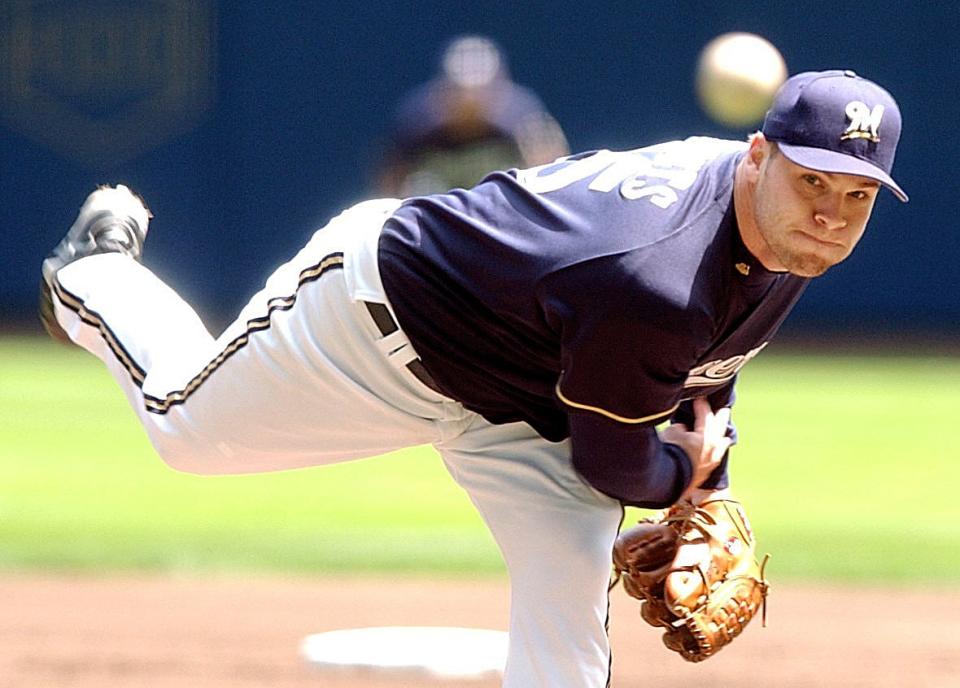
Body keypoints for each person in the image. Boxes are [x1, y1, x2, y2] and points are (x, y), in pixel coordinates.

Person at [40, 69, 906, 687]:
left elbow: (708, 365)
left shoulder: (786, 230)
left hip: (535, 396)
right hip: (380, 324)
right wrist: (685, 477)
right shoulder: (654, 272)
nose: (831, 213)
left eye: (858, 197)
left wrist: (705, 471)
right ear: (758, 155)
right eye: (814, 183)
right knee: (185, 432)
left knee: (566, 615)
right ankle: (90, 277)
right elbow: (613, 464)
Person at [377, 34, 569, 196]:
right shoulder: (418, 122)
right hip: (436, 225)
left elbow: (551, 175)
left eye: (482, 93)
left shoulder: (522, 118)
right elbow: (391, 178)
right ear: (444, 91)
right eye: (461, 93)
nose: (471, 102)